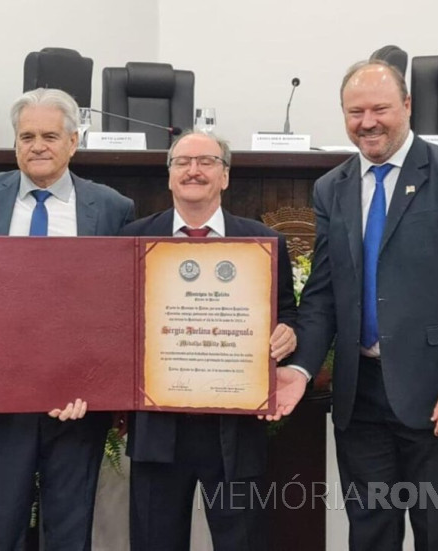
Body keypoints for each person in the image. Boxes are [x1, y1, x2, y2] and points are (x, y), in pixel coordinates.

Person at [284, 61, 438, 550]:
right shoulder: (332, 188)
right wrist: (301, 369)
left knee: (436, 534)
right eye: (355, 112)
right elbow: (323, 292)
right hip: (358, 397)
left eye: (380, 109)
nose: (368, 122)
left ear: (407, 106)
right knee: (369, 534)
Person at [0, 87, 135, 550]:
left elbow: (121, 305)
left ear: (73, 142)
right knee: (1, 526)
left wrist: (101, 385)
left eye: (50, 136)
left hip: (78, 398)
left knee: (70, 529)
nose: (38, 146)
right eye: (27, 136)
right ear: (15, 143)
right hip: (0, 396)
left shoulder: (111, 208)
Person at [120, 130, 298, 551]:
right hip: (157, 431)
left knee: (243, 542)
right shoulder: (133, 240)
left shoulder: (263, 242)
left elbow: (288, 311)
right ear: (168, 177)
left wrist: (290, 333)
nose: (193, 171)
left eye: (206, 162)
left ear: (225, 176)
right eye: (182, 162)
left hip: (235, 430)